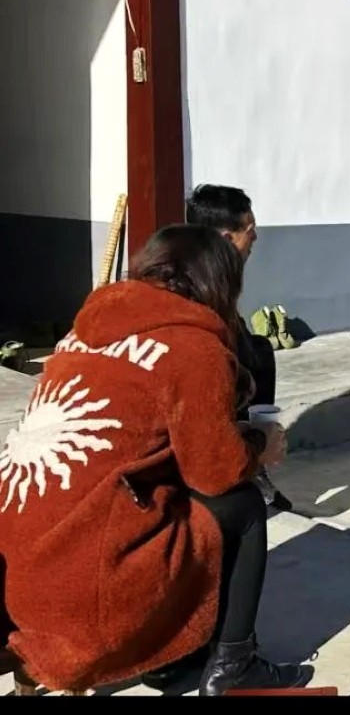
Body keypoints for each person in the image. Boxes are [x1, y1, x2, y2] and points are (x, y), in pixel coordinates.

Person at [0, 225, 311, 695]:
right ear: (219, 283)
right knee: (243, 504)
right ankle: (235, 665)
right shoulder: (193, 348)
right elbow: (215, 471)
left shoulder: (78, 337)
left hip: (20, 567)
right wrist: (259, 444)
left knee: (166, 495)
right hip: (80, 584)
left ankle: (170, 660)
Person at [185, 184, 291, 513]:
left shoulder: (216, 273)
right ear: (227, 239)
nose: (255, 237)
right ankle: (245, 455)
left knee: (259, 349)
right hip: (192, 371)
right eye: (250, 229)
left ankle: (254, 455)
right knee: (247, 357)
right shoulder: (194, 281)